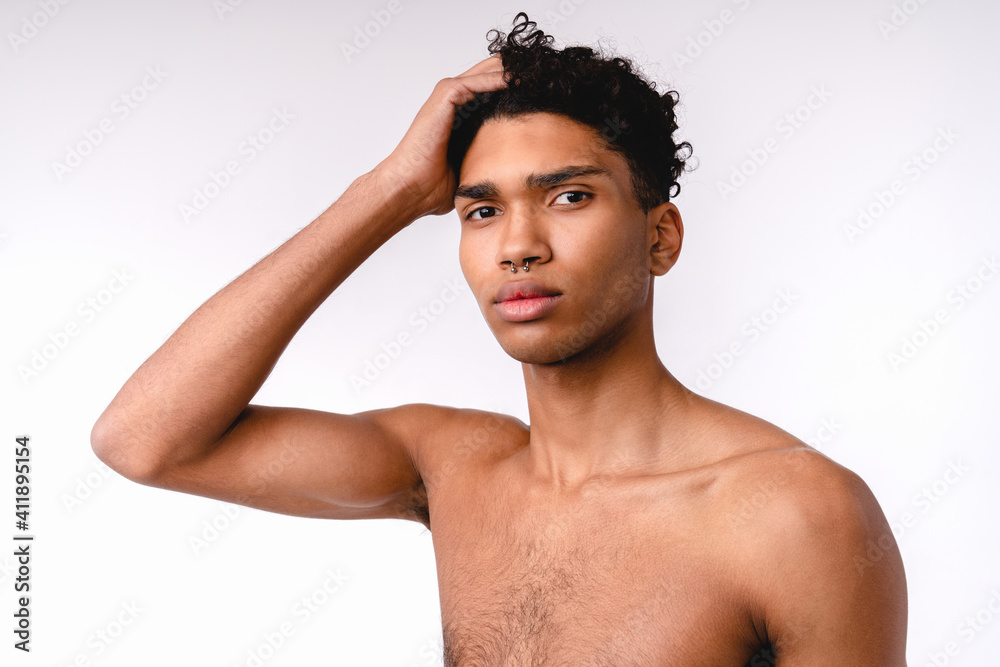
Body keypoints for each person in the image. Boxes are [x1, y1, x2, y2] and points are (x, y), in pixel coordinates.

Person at [91, 12, 907, 665]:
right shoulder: (453, 469)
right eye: (482, 210)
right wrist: (390, 188)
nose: (517, 245)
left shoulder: (797, 514)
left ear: (660, 237)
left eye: (568, 196)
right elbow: (144, 440)